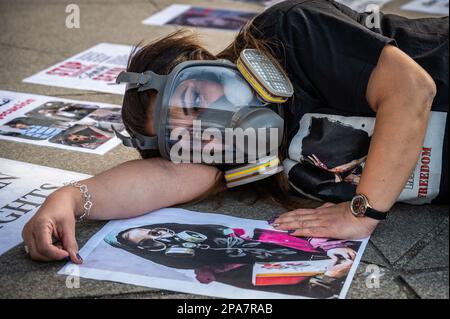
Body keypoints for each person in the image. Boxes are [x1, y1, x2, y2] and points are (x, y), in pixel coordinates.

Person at [22, 0, 448, 264]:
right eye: (185, 138)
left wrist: (360, 213)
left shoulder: (288, 33)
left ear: (203, 62)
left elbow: (412, 90)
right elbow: (166, 177)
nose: (208, 128)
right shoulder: (241, 155)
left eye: (191, 100)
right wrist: (70, 198)